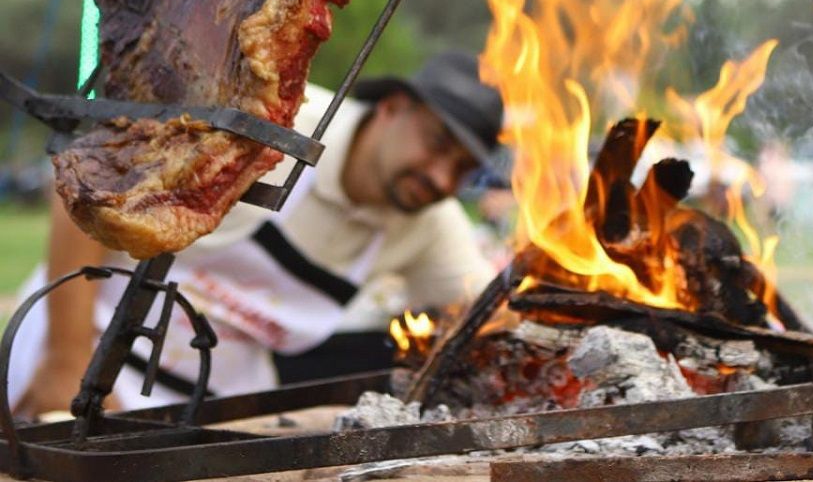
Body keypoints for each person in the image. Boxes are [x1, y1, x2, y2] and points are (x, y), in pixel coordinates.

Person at [12, 51, 503, 418]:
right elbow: (86, 189)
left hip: (207, 402)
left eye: (462, 169)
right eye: (438, 144)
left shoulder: (431, 225)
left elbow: (493, 315)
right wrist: (65, 360)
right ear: (392, 108)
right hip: (80, 340)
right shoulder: (273, 128)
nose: (443, 178)